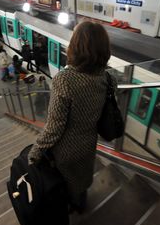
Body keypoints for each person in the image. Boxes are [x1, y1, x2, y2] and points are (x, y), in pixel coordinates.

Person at [28, 21, 114, 213]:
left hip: (66, 149)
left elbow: (54, 127)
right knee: (82, 177)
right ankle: (81, 202)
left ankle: (70, 206)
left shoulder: (64, 80)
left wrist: (36, 151)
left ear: (76, 46)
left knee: (65, 182)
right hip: (90, 141)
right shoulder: (107, 78)